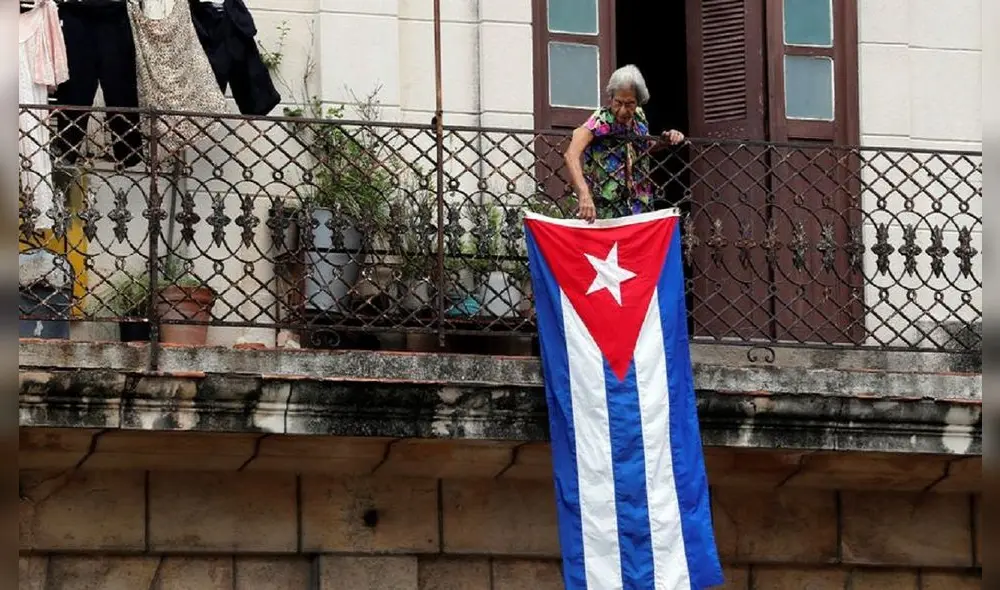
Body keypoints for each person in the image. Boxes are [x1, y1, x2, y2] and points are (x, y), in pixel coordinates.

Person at [563, 64, 686, 222]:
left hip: (638, 205)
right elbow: (571, 154)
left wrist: (665, 140)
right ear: (611, 98)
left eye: (629, 104)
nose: (622, 110)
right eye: (618, 103)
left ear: (638, 102)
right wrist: (584, 194)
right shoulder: (600, 120)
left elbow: (643, 147)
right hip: (607, 207)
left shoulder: (639, 117)